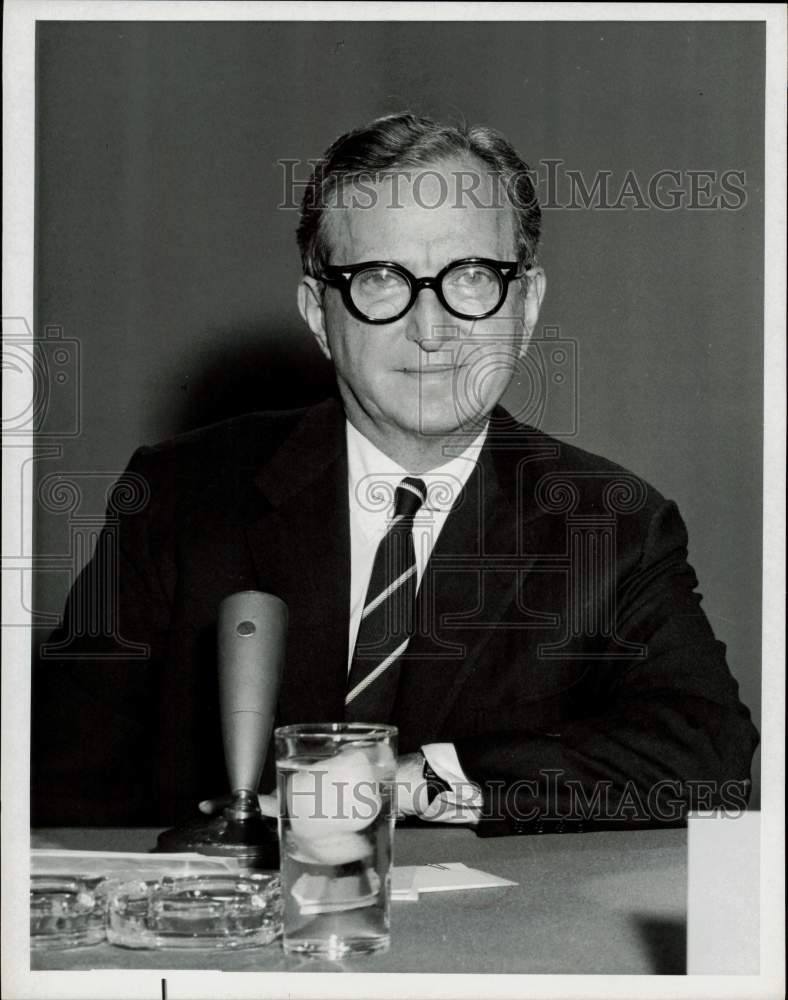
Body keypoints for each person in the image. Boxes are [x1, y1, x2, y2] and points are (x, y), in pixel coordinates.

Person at [31, 113, 758, 834]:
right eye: (382, 279)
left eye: (472, 277)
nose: (432, 328)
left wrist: (415, 780)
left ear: (527, 304)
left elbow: (708, 756)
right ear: (319, 312)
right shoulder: (181, 495)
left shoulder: (614, 523)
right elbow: (50, 787)